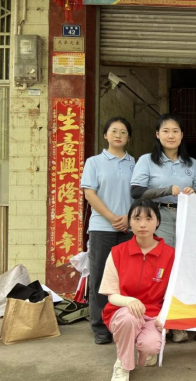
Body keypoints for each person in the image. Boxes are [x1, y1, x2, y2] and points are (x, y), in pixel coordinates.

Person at [131, 114, 196, 344]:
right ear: (157, 134)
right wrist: (166, 190)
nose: (171, 135)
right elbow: (136, 192)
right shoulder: (146, 161)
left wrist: (192, 193)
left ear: (182, 135)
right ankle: (156, 321)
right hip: (158, 217)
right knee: (160, 269)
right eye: (166, 131)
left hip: (186, 217)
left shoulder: (191, 163)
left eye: (175, 131)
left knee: (182, 269)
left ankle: (177, 323)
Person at [99, 199, 175, 381]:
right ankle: (123, 365)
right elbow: (111, 294)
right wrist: (129, 301)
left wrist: (164, 316)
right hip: (121, 312)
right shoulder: (117, 252)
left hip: (153, 314)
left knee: (150, 346)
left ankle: (144, 349)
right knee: (129, 318)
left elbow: (173, 293)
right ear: (129, 222)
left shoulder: (170, 255)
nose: (142, 224)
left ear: (158, 222)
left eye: (149, 219)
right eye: (137, 218)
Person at [81, 116, 135, 345]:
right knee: (100, 278)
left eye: (123, 132)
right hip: (102, 228)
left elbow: (139, 194)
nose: (118, 135)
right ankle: (100, 326)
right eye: (114, 131)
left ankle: (125, 322)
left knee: (127, 278)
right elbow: (89, 194)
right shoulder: (94, 162)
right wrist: (113, 218)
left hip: (129, 228)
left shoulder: (136, 163)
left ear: (128, 137)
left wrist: (129, 218)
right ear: (105, 135)